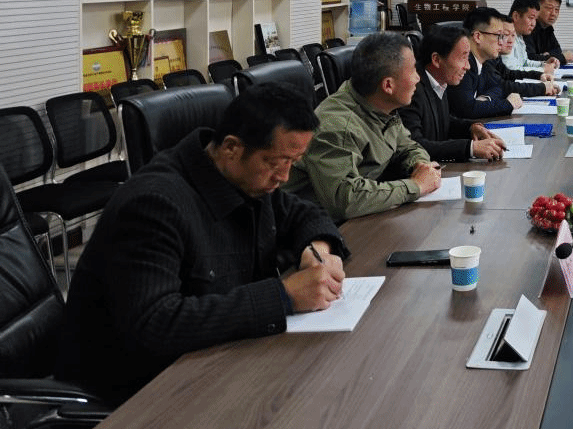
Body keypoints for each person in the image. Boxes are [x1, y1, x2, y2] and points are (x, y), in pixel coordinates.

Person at [58, 84, 348, 404]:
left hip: (221, 361)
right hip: (137, 393)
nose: (284, 176)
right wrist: (284, 296)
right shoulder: (154, 204)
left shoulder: (246, 178)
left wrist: (317, 252)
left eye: (294, 161)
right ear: (231, 148)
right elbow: (154, 325)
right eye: (277, 162)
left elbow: (304, 213)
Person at [285, 32, 443, 221]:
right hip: (307, 225)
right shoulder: (338, 126)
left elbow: (407, 146)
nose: (418, 78)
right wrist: (415, 186)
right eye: (413, 71)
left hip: (355, 219)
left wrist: (420, 165)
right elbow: (345, 200)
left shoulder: (379, 105)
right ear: (388, 85)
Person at [399, 22, 507, 162]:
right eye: (463, 58)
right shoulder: (411, 89)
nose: (467, 66)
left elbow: (442, 122)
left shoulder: (439, 79)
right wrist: (470, 148)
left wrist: (470, 128)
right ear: (436, 60)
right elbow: (415, 146)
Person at [449, 8, 527, 119]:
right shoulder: (464, 64)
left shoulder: (483, 61)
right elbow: (467, 110)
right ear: (478, 37)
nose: (501, 42)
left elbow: (498, 88)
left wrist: (484, 99)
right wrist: (508, 104)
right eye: (498, 36)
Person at [503, 0, 560, 76]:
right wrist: (542, 70)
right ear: (516, 16)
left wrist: (544, 64)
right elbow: (511, 69)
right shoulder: (505, 36)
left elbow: (524, 62)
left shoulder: (519, 35)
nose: (533, 24)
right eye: (531, 18)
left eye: (535, 19)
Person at [526, 0, 573, 64]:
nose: (553, 13)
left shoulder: (547, 28)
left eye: (556, 9)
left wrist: (548, 55)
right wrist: (562, 58)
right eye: (549, 8)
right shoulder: (528, 27)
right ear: (537, 9)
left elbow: (557, 50)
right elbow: (530, 58)